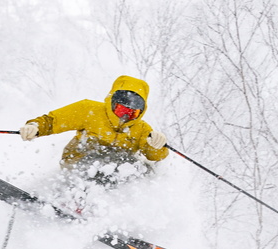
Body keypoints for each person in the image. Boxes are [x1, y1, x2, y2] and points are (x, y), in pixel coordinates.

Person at [19, 74, 169, 175]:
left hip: (114, 174)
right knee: (104, 158)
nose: (124, 117)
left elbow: (153, 156)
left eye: (132, 114)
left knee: (142, 169)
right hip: (80, 162)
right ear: (112, 102)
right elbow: (53, 121)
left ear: (140, 113)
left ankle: (118, 209)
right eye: (121, 110)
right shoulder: (89, 110)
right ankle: (72, 199)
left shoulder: (142, 129)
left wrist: (157, 146)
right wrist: (35, 127)